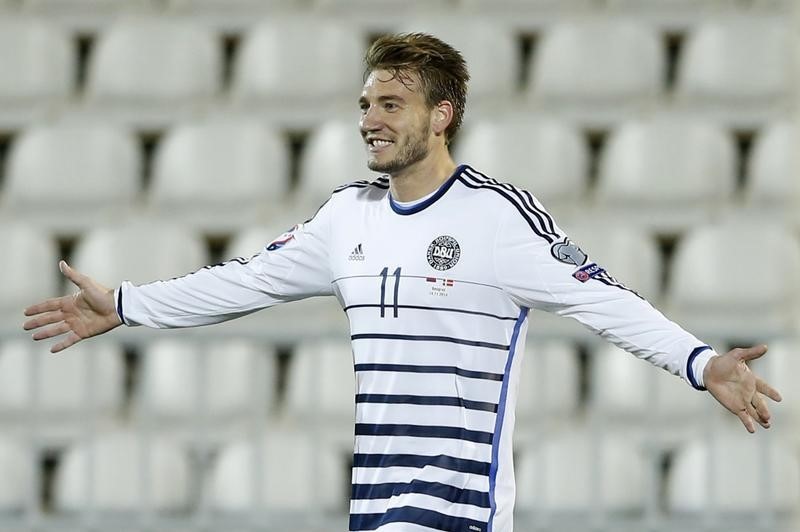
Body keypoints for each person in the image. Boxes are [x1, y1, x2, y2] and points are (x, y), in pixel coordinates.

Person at [23, 33, 781, 532]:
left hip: (455, 507)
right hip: (375, 504)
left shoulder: (497, 217)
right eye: (364, 105)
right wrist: (126, 305)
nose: (369, 120)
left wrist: (700, 361)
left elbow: (603, 298)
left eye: (391, 104)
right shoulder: (345, 218)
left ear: (441, 114)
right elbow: (241, 282)